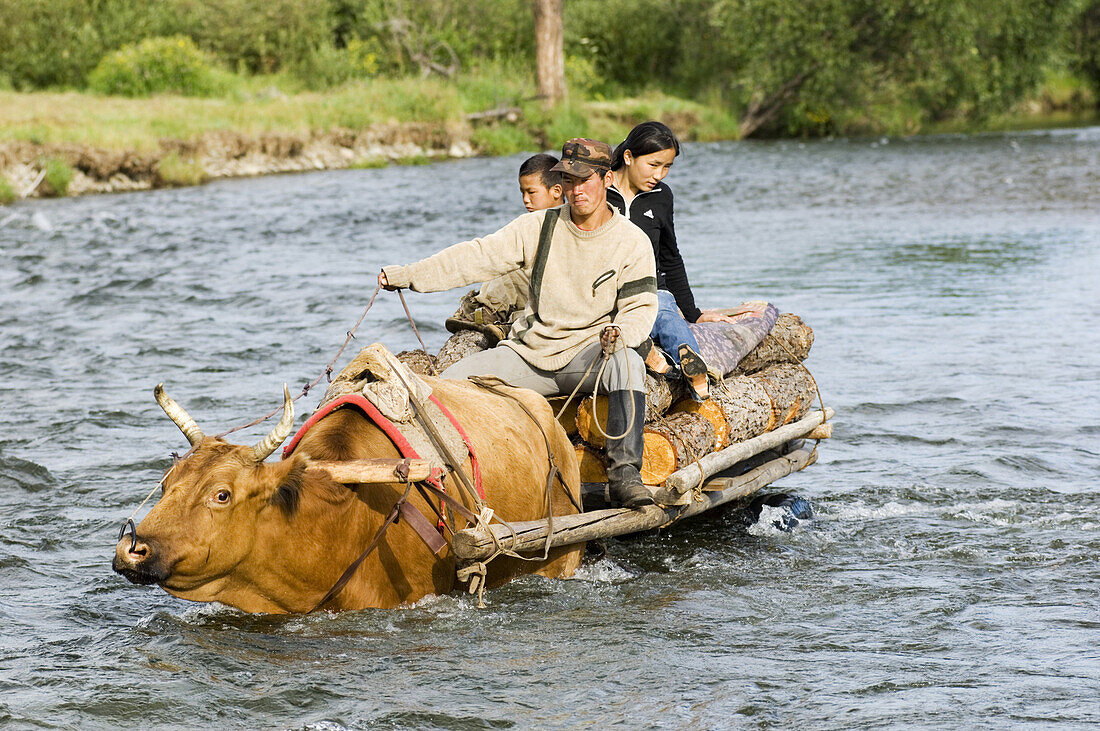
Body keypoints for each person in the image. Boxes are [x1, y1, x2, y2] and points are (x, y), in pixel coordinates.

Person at [378, 139, 658, 508]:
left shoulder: (631, 241)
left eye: (584, 180)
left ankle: (625, 475)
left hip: (590, 356)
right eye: (568, 181)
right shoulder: (537, 227)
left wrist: (621, 333)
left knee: (629, 364)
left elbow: (640, 305)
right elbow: (475, 256)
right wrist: (409, 275)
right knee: (445, 385)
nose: (576, 190)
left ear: (607, 179)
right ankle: (441, 479)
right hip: (530, 353)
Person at [607, 121, 741, 400]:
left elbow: (670, 255)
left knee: (664, 313)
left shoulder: (661, 196)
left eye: (667, 167)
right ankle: (644, 347)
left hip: (652, 289)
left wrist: (693, 313)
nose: (660, 174)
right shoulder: (599, 192)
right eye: (654, 164)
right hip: (607, 291)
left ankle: (694, 366)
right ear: (629, 157)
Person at [444, 153, 564, 342]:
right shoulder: (528, 224)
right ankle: (494, 317)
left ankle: (488, 313)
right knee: (500, 261)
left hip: (552, 297)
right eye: (522, 193)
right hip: (534, 294)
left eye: (531, 192)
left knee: (509, 269)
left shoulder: (563, 221)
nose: (525, 199)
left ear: (556, 191)